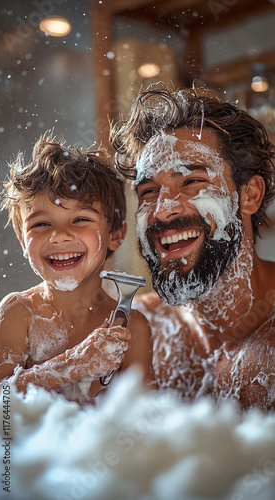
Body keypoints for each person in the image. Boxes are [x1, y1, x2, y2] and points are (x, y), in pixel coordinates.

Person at [110, 83, 275, 411]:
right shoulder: (133, 331)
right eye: (149, 192)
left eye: (191, 182)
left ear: (250, 195)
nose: (162, 210)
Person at [0, 132, 154, 404]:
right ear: (23, 242)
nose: (59, 235)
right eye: (41, 224)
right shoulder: (18, 313)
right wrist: (73, 365)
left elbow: (144, 421)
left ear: (116, 234)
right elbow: (1, 403)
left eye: (80, 219)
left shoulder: (132, 328)